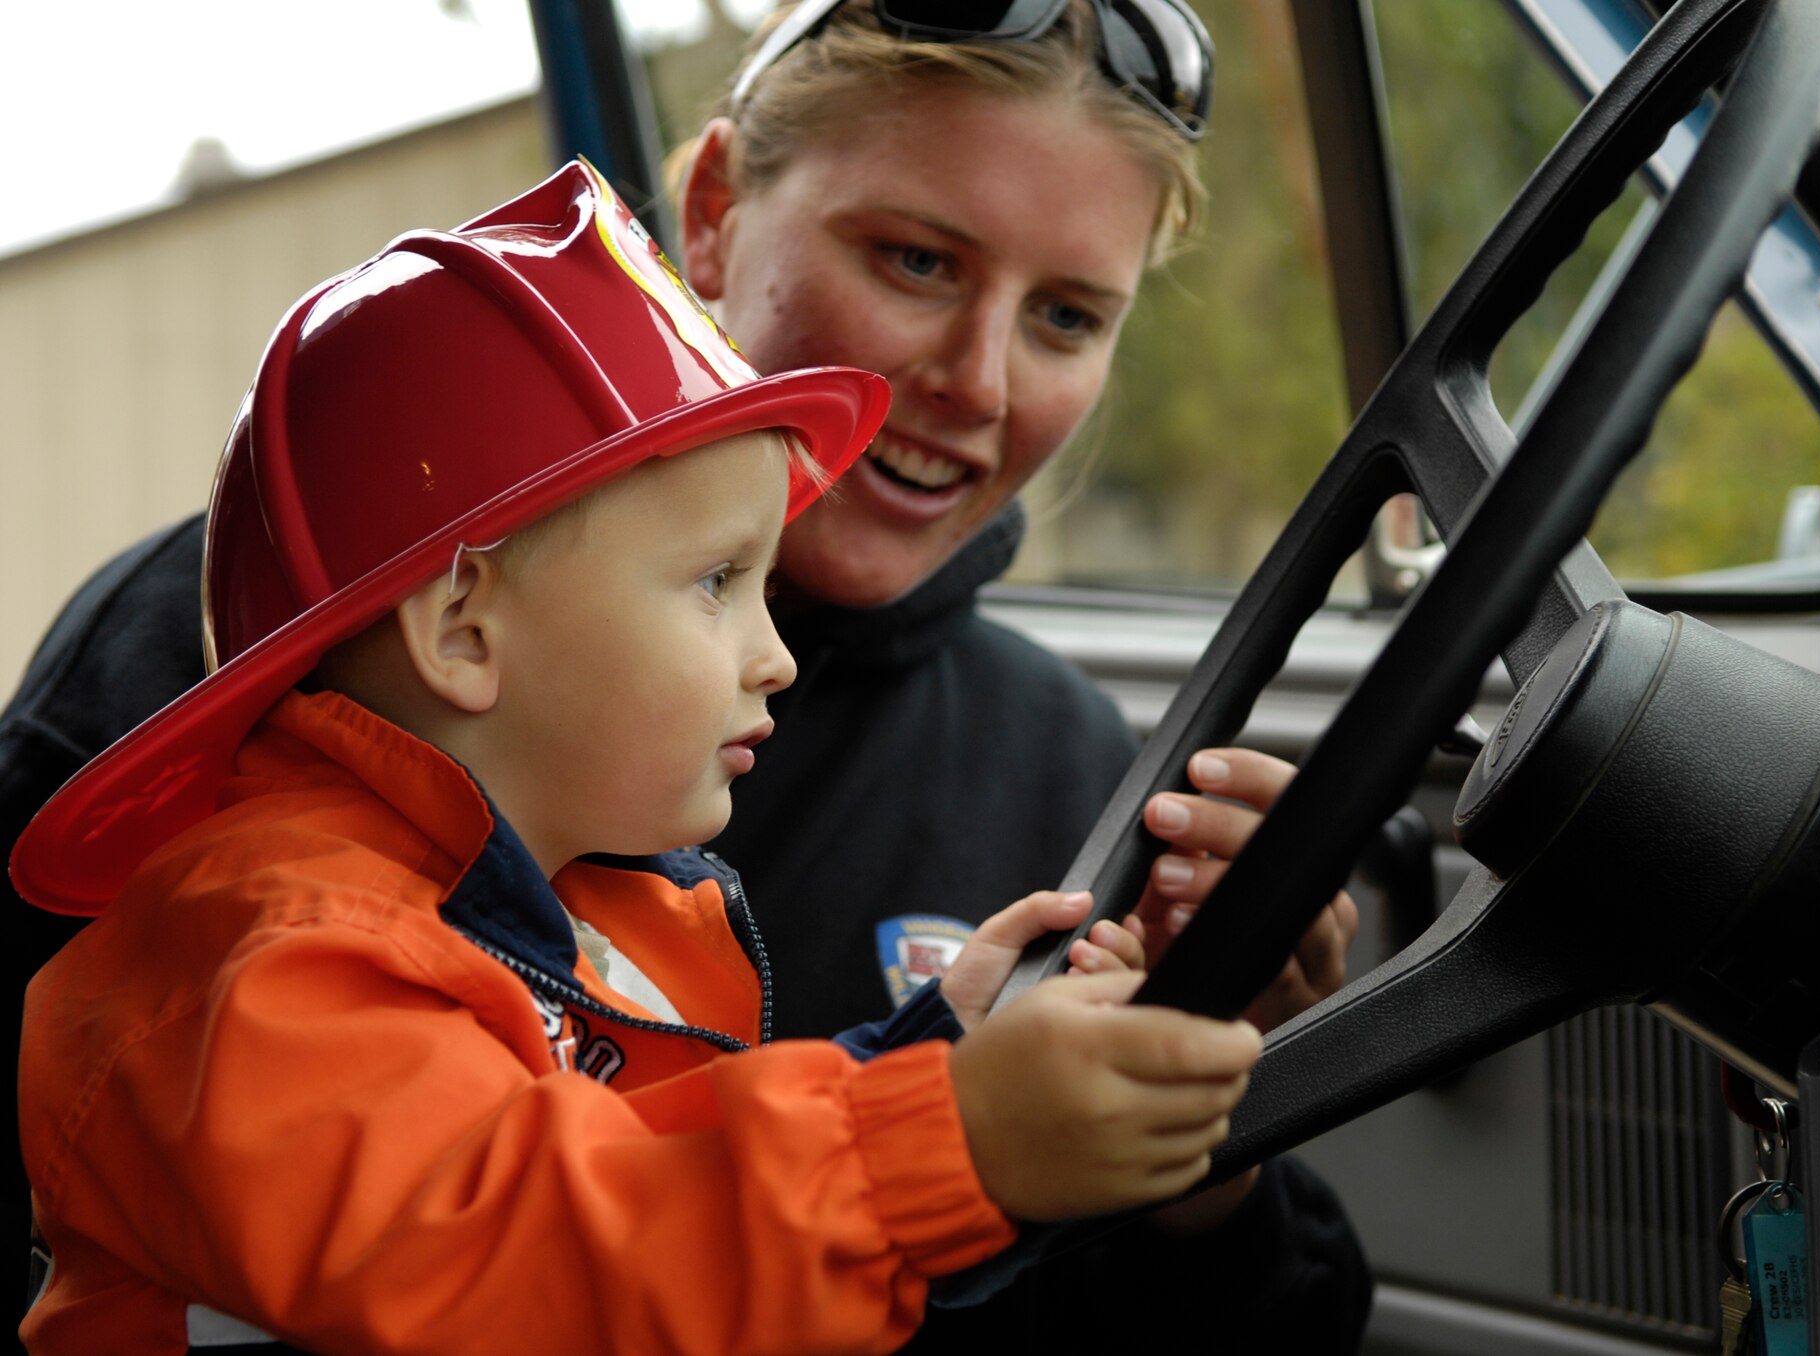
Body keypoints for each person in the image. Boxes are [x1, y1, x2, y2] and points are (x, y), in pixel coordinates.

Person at [2, 1, 1371, 1347]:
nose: (979, 380)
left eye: (1068, 316)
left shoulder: (1071, 766)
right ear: (710, 207)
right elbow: (541, 1235)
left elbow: (627, 1153)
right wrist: (946, 1140)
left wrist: (1159, 1079)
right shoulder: (255, 855)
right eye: (914, 261)